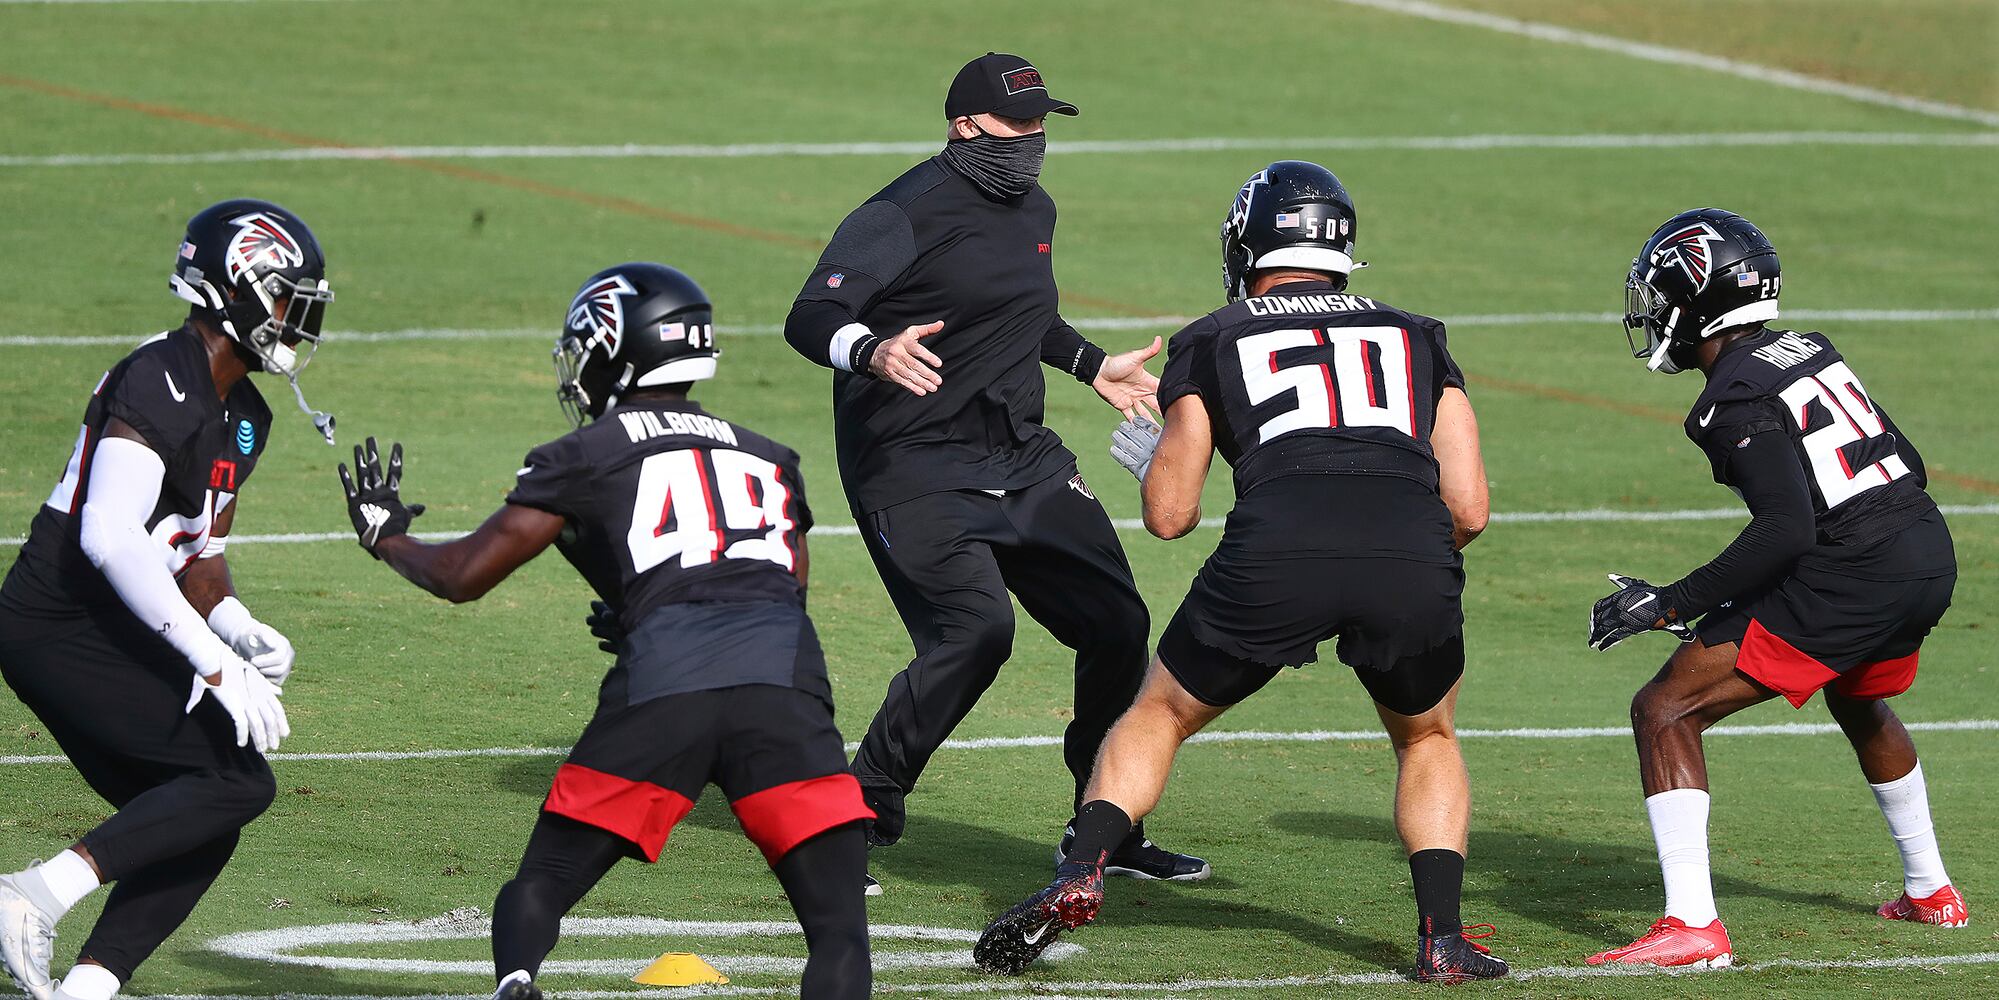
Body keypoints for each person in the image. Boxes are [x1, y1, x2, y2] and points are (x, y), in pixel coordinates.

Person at [974, 161, 1507, 984]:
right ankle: (1441, 940)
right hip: (1409, 549)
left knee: (1158, 714)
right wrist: (1398, 560)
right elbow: (1467, 508)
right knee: (1426, 737)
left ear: (1246, 247)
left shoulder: (1214, 336)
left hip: (1277, 549)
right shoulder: (1417, 334)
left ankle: (1079, 871)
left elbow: (1170, 516)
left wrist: (1160, 464)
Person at [339, 263, 874, 1000]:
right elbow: (783, 592)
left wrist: (387, 537)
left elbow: (462, 575)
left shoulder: (586, 452)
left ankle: (517, 979)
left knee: (546, 880)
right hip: (782, 681)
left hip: (666, 680)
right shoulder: (770, 457)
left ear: (616, 348)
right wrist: (641, 614)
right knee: (838, 929)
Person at [782, 51, 1203, 894]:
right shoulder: (901, 211)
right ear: (964, 126)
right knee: (973, 634)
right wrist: (871, 350)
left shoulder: (1033, 207)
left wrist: (1090, 364)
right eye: (1018, 122)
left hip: (1022, 458)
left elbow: (1020, 312)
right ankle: (854, 817)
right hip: (911, 463)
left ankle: (1105, 826)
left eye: (1042, 121)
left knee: (1117, 625)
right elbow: (810, 314)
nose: (1033, 137)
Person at [1583, 209, 1965, 968]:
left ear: (1698, 299)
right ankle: (1930, 889)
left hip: (1857, 572)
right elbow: (1909, 465)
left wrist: (1672, 601)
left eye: (1660, 294)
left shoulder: (1728, 400)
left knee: (1665, 709)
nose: (1653, 312)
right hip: (1926, 550)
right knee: (1855, 694)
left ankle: (1692, 926)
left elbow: (1785, 530)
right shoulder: (1808, 349)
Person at [0, 199, 334, 1000]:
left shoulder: (245, 413)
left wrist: (237, 625)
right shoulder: (162, 374)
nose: (295, 319)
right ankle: (30, 896)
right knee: (236, 782)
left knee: (203, 813)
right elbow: (109, 536)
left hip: (109, 623)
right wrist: (212, 665)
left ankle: (86, 989)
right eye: (284, 298)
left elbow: (197, 555)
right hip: (58, 622)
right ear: (231, 289)